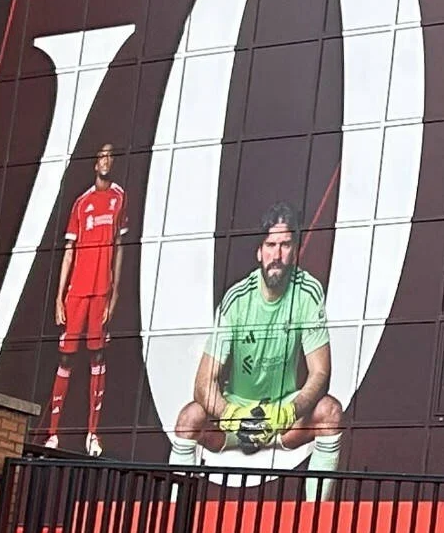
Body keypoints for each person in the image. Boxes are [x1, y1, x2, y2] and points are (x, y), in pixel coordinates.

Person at [168, 202, 343, 501]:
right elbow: (203, 383)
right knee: (188, 419)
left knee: (330, 412)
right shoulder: (237, 299)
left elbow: (320, 372)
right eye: (271, 245)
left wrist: (288, 411)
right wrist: (233, 415)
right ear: (259, 251)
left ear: (296, 251)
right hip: (236, 414)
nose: (277, 254)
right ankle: (173, 522)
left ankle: (317, 521)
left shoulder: (308, 292)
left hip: (282, 413)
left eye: (285, 245)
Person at [44, 143, 128, 457]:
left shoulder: (119, 198)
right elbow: (68, 252)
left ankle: (92, 434)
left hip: (101, 292)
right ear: (95, 164)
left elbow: (119, 248)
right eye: (101, 155)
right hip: (76, 293)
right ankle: (52, 433)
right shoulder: (81, 204)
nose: (106, 159)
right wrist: (58, 297)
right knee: (66, 358)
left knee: (97, 357)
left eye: (110, 155)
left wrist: (114, 294)